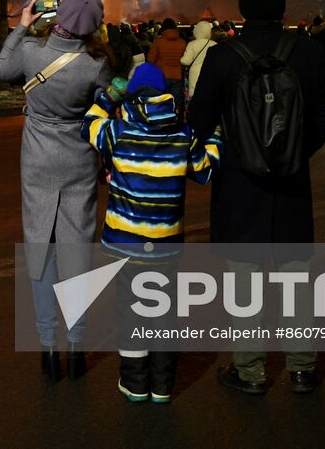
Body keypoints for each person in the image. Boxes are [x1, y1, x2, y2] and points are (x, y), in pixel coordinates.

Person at [187, 0, 325, 395]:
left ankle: (250, 371)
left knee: (245, 281)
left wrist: (232, 147)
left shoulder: (223, 56)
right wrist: (296, 152)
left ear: (244, 9)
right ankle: (303, 369)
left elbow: (199, 118)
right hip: (291, 182)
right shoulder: (306, 51)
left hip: (240, 183)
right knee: (295, 280)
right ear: (282, 8)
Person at [0, 0, 112, 383]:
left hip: (38, 162)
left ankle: (47, 348)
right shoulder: (97, 64)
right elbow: (104, 112)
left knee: (41, 250)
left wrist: (22, 25)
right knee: (77, 253)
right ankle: (77, 348)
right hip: (78, 160)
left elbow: (0, 71)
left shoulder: (31, 52)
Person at [82, 62, 214, 403]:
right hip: (166, 244)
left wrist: (110, 95)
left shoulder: (119, 132)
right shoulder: (182, 135)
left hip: (125, 242)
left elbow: (88, 125)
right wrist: (216, 136)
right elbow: (204, 170)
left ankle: (135, 383)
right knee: (165, 311)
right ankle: (162, 385)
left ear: (133, 94)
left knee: (131, 311)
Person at [145, 17, 186, 98]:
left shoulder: (158, 41)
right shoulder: (182, 42)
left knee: (162, 100)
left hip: (161, 75)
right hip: (177, 76)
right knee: (176, 100)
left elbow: (150, 59)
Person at [179, 19, 216, 105]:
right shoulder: (214, 44)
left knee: (195, 98)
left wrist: (181, 59)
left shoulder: (192, 44)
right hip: (211, 73)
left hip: (195, 74)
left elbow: (186, 61)